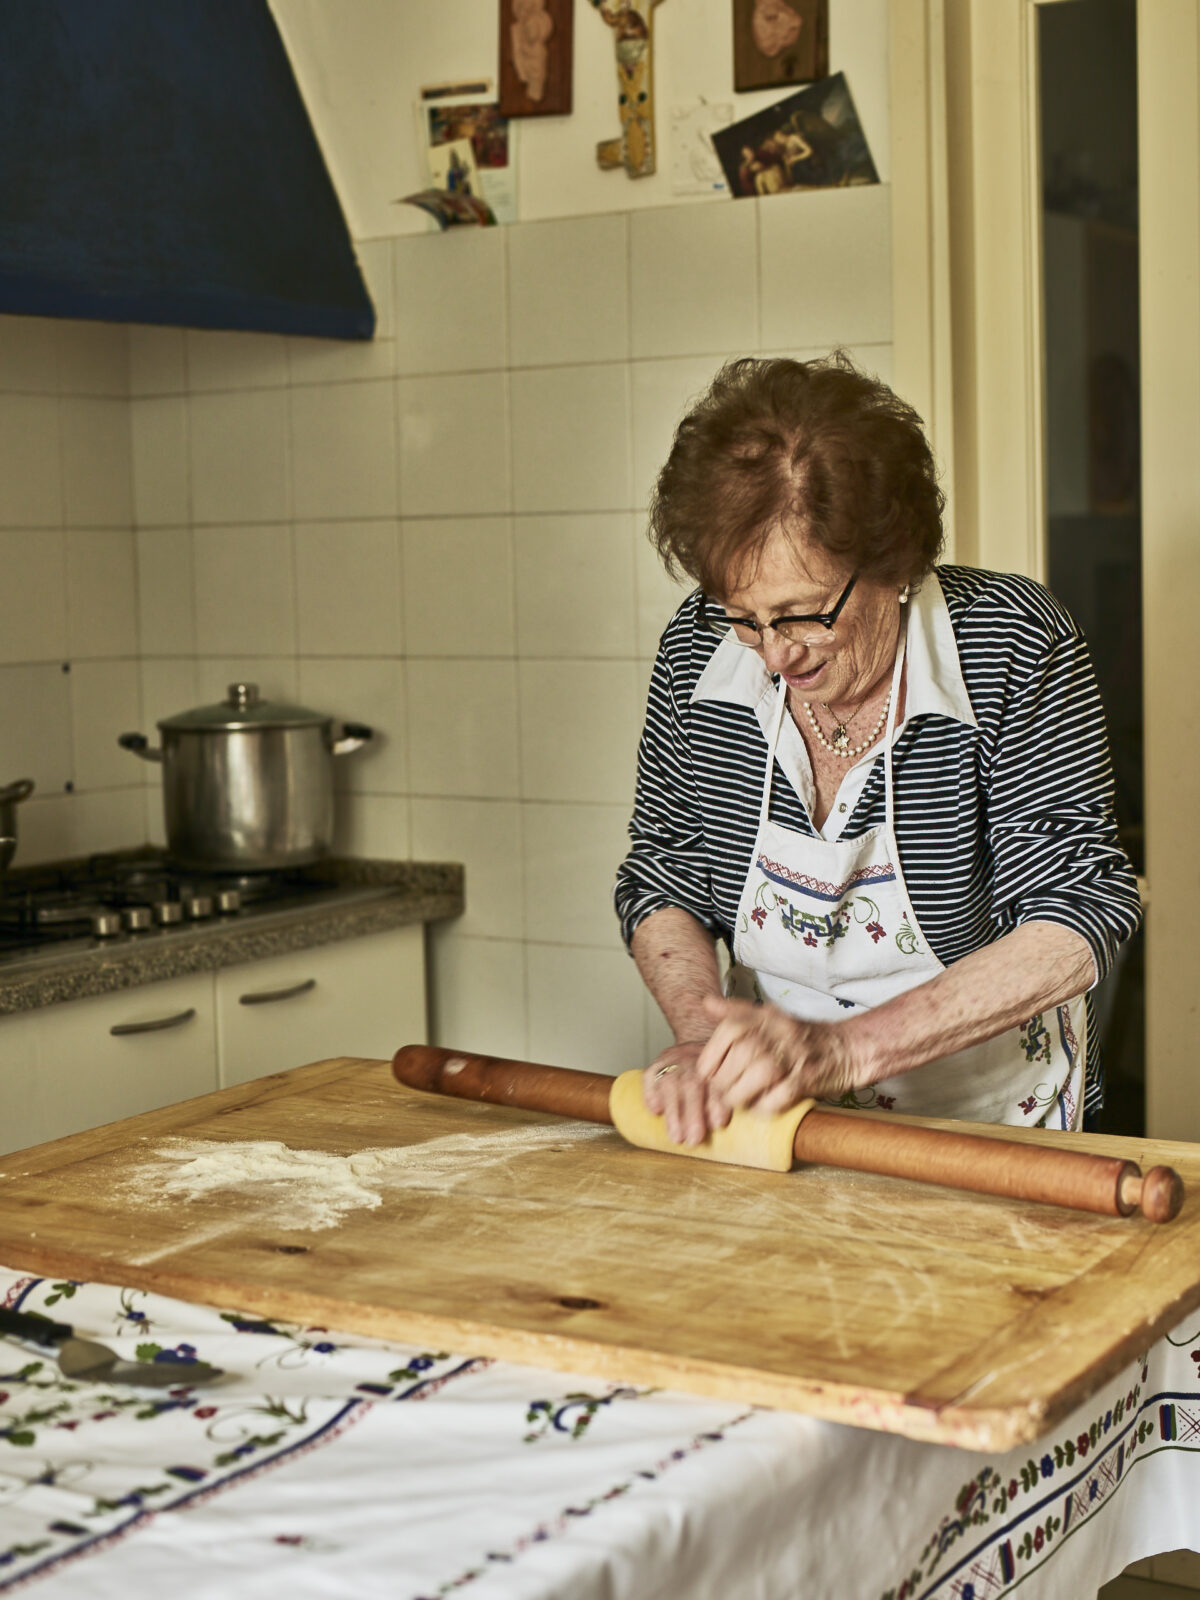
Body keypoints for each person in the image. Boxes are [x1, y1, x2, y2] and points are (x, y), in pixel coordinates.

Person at [614, 354, 1140, 1148]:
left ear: (895, 561)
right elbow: (665, 869)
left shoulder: (1012, 644)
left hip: (997, 1134)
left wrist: (842, 1051)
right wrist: (702, 1042)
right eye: (744, 617)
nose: (773, 656)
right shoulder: (697, 651)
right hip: (783, 1128)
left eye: (802, 614)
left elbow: (1078, 910)